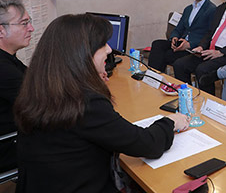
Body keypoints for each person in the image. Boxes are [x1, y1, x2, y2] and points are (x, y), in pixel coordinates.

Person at [13, 14, 189, 192]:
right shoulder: (84, 102)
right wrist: (171, 122)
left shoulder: (40, 88)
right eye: (103, 44)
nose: (109, 50)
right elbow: (147, 144)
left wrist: (93, 82)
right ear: (83, 52)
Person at [148, 0, 216, 72]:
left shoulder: (212, 9)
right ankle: (153, 77)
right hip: (181, 44)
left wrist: (189, 44)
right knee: (157, 44)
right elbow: (178, 29)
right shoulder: (188, 9)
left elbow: (210, 35)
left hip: (194, 48)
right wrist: (174, 38)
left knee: (164, 56)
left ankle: (156, 79)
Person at [0, 0, 34, 173]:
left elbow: (35, 81)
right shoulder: (3, 69)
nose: (31, 28)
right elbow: (41, 103)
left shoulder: (7, 58)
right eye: (24, 23)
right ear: (1, 30)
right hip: (8, 145)